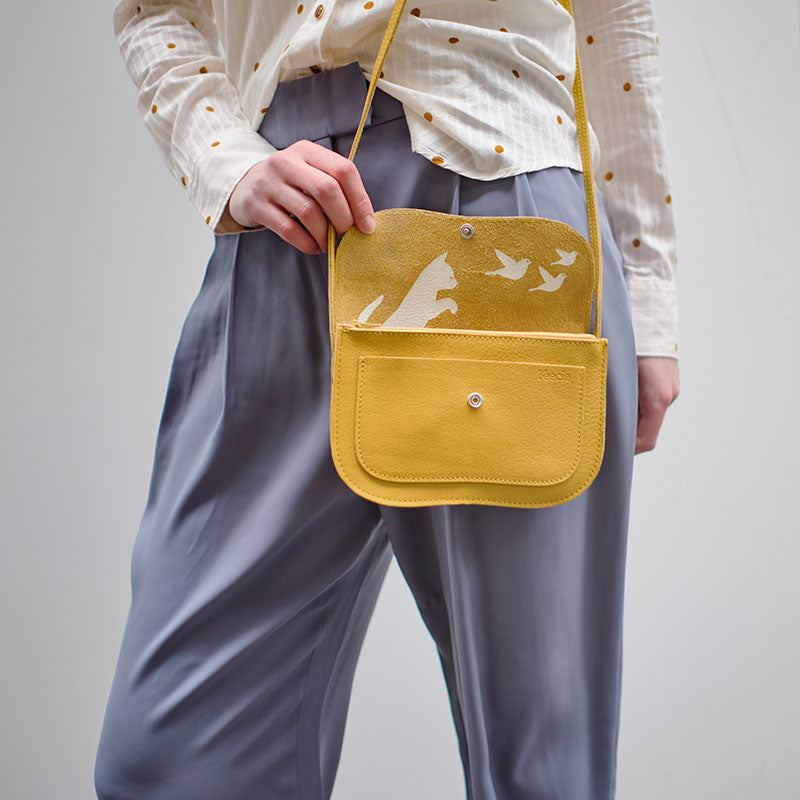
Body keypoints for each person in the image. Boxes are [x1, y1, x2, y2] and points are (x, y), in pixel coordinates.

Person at [95, 1, 680, 798]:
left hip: (499, 225)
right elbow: (153, 11)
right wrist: (223, 156)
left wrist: (646, 293)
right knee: (168, 757)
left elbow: (614, 22)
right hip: (282, 227)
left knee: (539, 760)